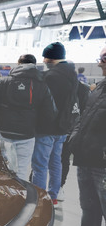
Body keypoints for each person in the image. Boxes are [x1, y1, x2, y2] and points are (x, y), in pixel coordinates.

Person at [55, 46, 106, 226]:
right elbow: (84, 116)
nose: (100, 63)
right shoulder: (99, 89)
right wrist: (74, 138)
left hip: (102, 163)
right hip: (86, 159)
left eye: (103, 58)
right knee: (89, 209)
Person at [0, 54, 57, 180]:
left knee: (0, 168)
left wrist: (2, 111)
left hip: (4, 132)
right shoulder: (41, 85)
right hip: (27, 135)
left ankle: (0, 198)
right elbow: (50, 113)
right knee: (21, 171)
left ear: (18, 64)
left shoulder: (4, 82)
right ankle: (18, 198)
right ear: (34, 65)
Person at [31, 42, 78, 204]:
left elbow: (44, 103)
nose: (43, 60)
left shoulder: (51, 77)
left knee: (40, 165)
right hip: (63, 127)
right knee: (55, 162)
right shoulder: (72, 74)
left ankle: (39, 198)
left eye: (45, 57)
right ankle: (53, 196)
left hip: (47, 128)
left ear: (52, 58)